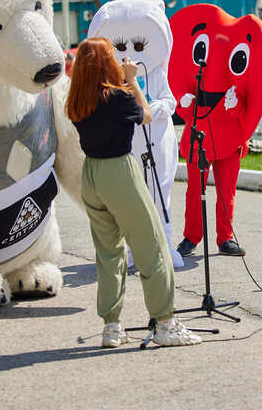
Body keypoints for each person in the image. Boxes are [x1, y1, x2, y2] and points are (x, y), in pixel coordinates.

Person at [66, 38, 201, 349]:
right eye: (112, 56)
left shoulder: (76, 102)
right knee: (151, 247)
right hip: (120, 172)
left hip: (92, 174)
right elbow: (147, 114)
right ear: (104, 64)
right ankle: (165, 323)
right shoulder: (118, 97)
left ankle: (111, 326)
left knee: (108, 253)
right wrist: (132, 80)